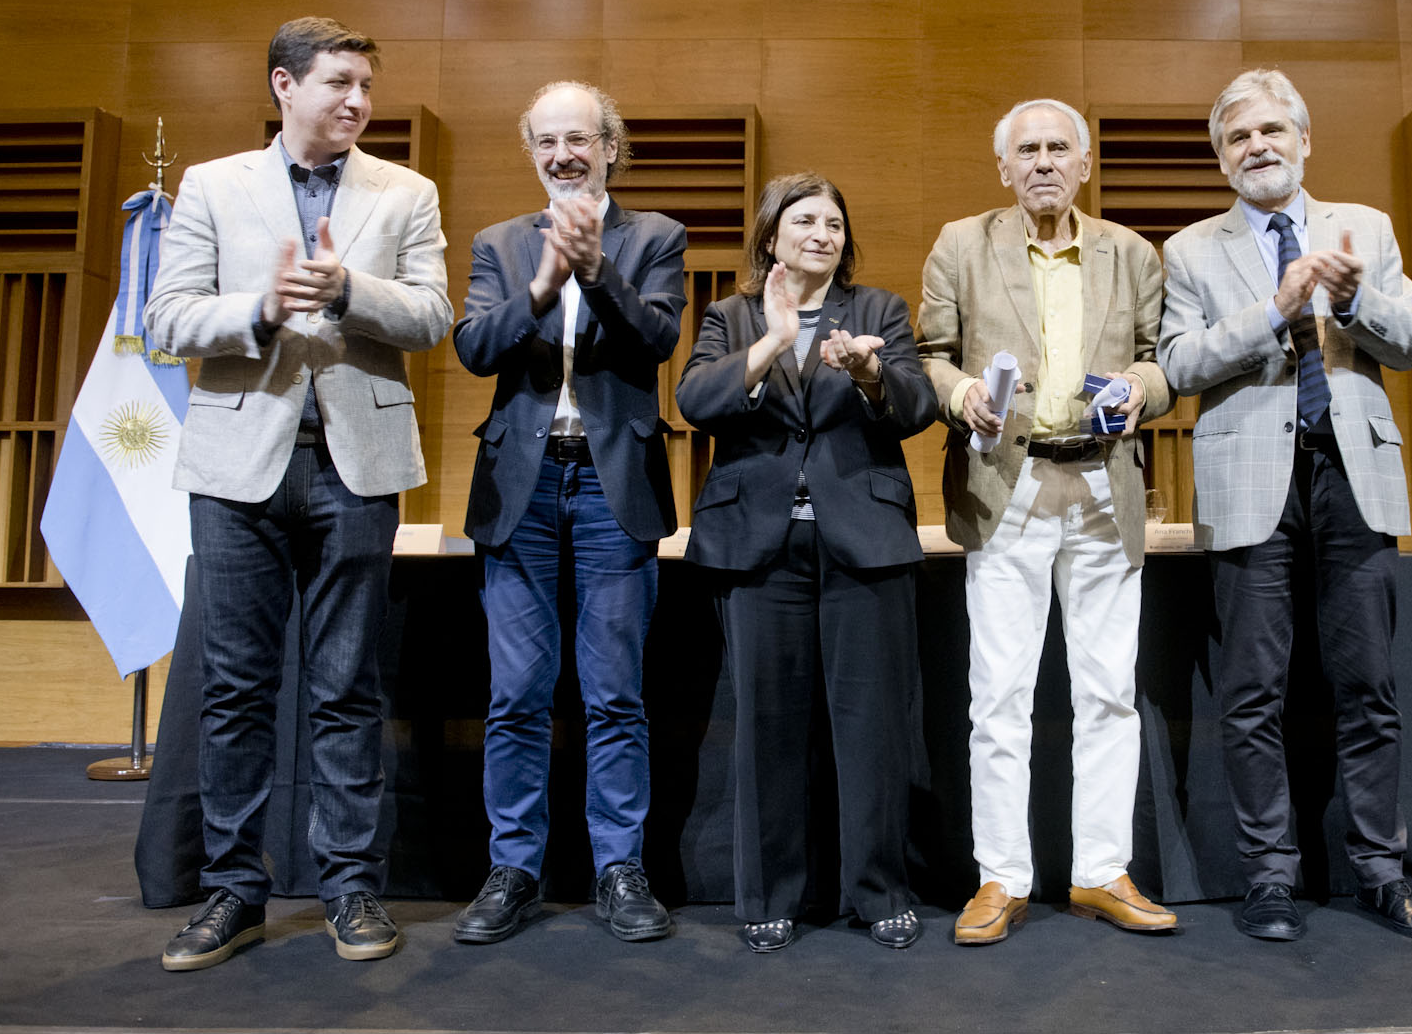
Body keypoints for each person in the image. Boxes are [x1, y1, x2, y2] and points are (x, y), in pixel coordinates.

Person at [145, 17, 452, 970]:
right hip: (239, 466)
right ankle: (232, 888)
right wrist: (262, 307)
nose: (358, 100)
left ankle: (350, 887)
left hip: (354, 465)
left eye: (366, 85)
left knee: (347, 686)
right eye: (339, 82)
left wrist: (348, 287)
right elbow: (165, 318)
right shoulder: (212, 183)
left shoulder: (407, 190)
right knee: (235, 688)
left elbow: (434, 313)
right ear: (284, 84)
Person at [1157, 68, 1412, 943]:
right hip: (1250, 481)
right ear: (1219, 157)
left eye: (1273, 130)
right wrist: (1270, 310)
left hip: (1351, 471)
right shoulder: (1189, 249)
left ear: (1305, 140)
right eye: (1238, 137)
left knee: (1369, 687)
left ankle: (1378, 872)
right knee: (1252, 691)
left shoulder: (1367, 227)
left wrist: (1351, 299)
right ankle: (1268, 877)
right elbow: (1175, 366)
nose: (1258, 147)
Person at [917, 98, 1176, 946]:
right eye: (1024, 149)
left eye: (1056, 147)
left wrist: (1143, 387)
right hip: (1007, 485)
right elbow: (929, 354)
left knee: (1107, 693)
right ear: (1002, 168)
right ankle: (1002, 876)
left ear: (1085, 161)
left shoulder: (1131, 252)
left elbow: (1158, 355)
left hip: (1105, 485)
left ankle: (1101, 870)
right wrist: (960, 397)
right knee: (999, 698)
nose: (1040, 161)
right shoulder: (961, 242)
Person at [449, 81, 686, 945]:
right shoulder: (499, 242)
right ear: (532, 152)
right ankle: (513, 866)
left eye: (577, 138)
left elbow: (659, 339)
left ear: (609, 146)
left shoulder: (654, 236)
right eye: (545, 141)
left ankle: (618, 867)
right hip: (521, 488)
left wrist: (594, 268)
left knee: (614, 693)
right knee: (515, 693)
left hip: (610, 484)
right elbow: (475, 346)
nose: (561, 155)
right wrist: (545, 284)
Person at [677, 173, 937, 953]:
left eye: (833, 221)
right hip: (759, 545)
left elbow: (917, 407)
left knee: (872, 727)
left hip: (861, 537)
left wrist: (867, 371)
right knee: (767, 726)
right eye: (804, 220)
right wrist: (771, 342)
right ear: (770, 238)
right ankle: (769, 893)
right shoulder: (730, 314)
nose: (820, 232)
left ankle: (878, 889)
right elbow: (696, 400)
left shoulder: (879, 311)